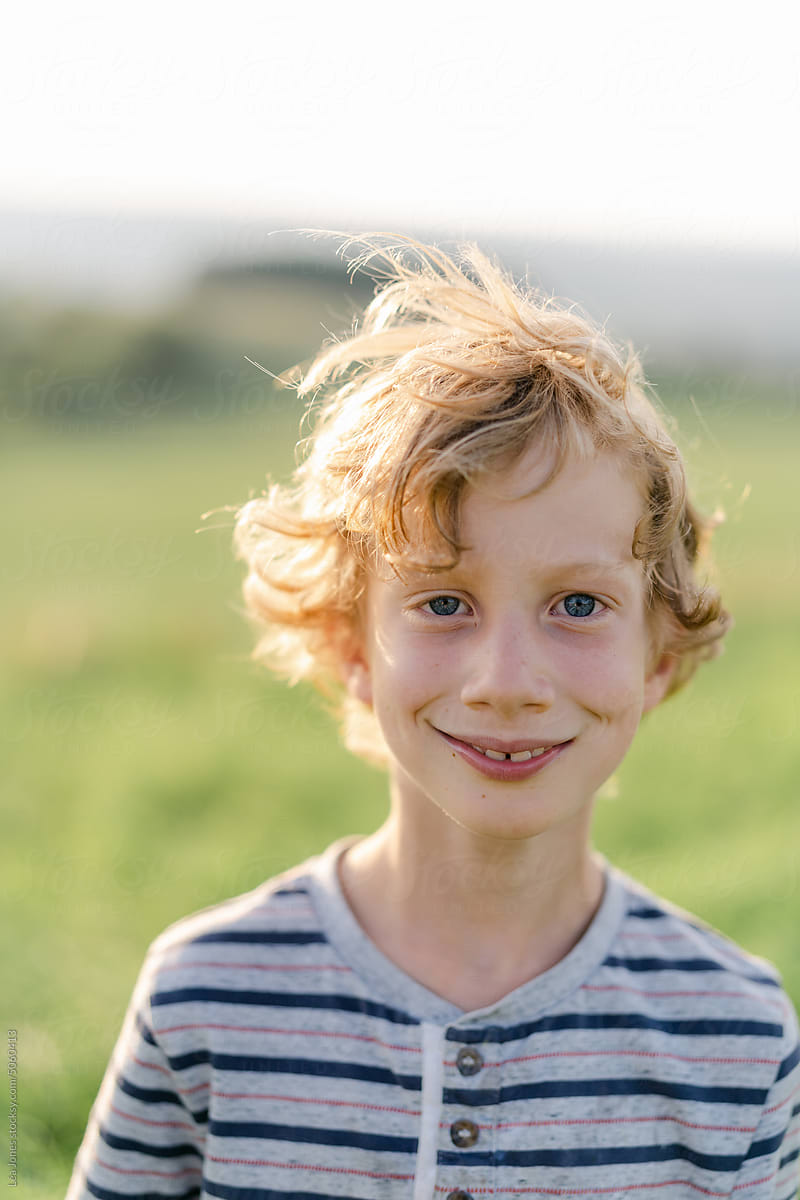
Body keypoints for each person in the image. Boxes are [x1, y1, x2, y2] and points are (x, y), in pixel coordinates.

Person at [67, 237, 800, 1199]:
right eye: (443, 603)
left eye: (578, 606)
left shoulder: (736, 1038)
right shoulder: (206, 999)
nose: (508, 682)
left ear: (657, 659)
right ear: (351, 645)